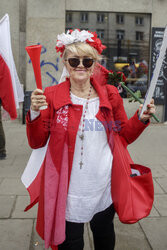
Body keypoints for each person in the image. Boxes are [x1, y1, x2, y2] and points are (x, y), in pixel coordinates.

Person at [25, 29, 156, 250]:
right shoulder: (51, 95)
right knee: (71, 241)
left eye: (87, 61)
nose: (80, 66)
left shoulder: (110, 94)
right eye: (74, 60)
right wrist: (35, 112)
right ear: (65, 63)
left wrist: (141, 118)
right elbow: (37, 141)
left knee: (104, 233)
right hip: (68, 188)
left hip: (103, 183)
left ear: (94, 64)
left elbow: (123, 134)